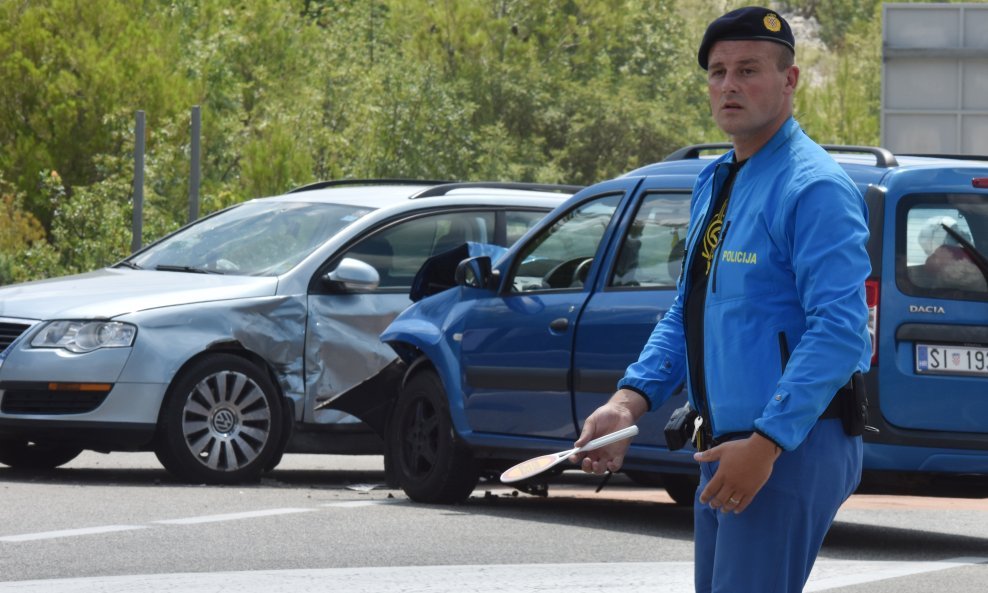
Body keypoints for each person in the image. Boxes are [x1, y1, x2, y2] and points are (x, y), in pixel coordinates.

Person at [570, 6, 871, 593]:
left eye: (749, 70)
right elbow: (689, 309)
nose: (729, 85)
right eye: (717, 71)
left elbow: (839, 331)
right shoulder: (717, 178)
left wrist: (768, 443)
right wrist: (627, 403)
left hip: (785, 446)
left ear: (790, 80)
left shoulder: (815, 188)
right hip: (724, 446)